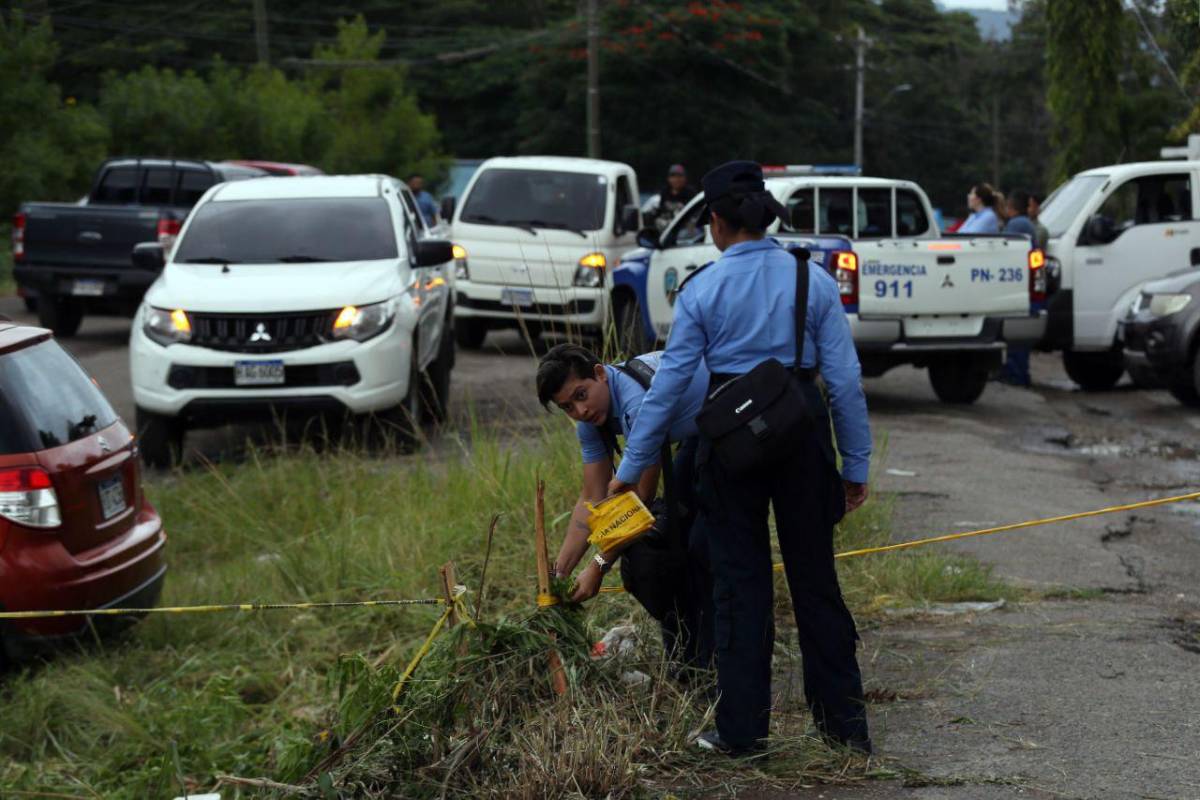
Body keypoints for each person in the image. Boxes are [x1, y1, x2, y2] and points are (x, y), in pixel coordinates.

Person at [608, 161, 873, 755]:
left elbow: (669, 387)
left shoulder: (702, 289)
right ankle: (845, 732)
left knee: (739, 587)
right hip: (802, 432)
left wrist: (630, 472)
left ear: (715, 224)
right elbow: (847, 384)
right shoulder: (815, 280)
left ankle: (743, 735)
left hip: (731, 444)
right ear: (766, 219)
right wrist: (854, 466)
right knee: (816, 582)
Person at [537, 343, 715, 673]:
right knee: (672, 547)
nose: (580, 411)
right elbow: (592, 498)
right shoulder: (590, 423)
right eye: (568, 408)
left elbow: (639, 498)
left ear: (600, 374)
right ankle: (690, 657)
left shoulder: (636, 405)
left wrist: (599, 565)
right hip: (695, 430)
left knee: (693, 547)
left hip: (725, 416)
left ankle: (706, 662)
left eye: (581, 395)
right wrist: (559, 573)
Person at [999, 190, 1037, 387]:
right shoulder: (1028, 225)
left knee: (1017, 340)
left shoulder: (1015, 225)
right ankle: (1020, 374)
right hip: (1029, 285)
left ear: (1010, 208)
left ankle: (1018, 376)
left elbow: (1004, 253)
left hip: (1019, 286)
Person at [645, 164, 698, 231]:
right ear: (669, 179)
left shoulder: (690, 193)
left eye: (680, 176)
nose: (676, 180)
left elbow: (695, 214)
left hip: (683, 229)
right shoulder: (665, 192)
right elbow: (661, 210)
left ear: (685, 178)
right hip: (666, 227)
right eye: (673, 177)